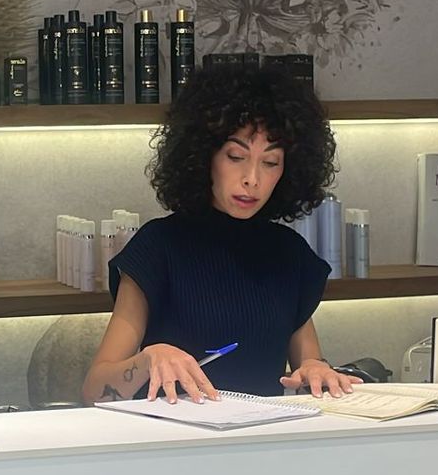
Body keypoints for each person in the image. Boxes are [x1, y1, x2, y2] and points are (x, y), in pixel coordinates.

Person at [82, 63, 357, 403]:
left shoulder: (289, 252)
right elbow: (94, 390)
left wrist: (316, 371)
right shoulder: (158, 247)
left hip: (265, 432)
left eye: (270, 162)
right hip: (174, 433)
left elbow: (307, 366)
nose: (252, 179)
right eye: (236, 156)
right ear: (204, 155)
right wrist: (149, 359)